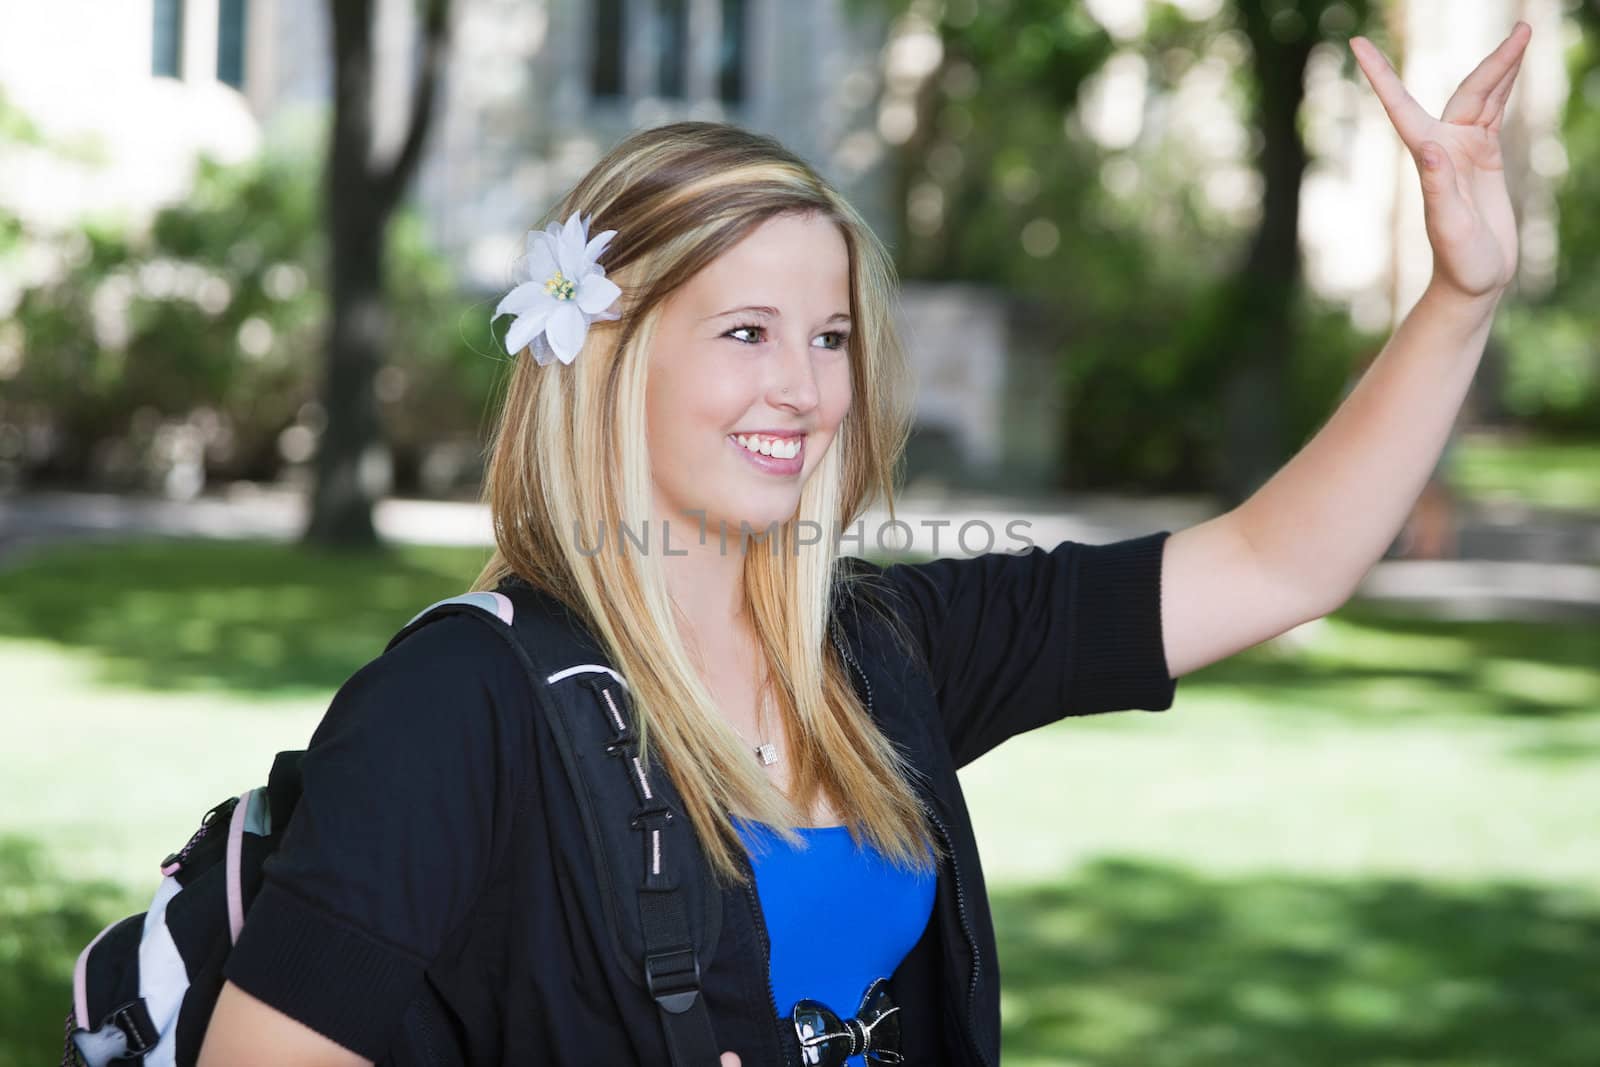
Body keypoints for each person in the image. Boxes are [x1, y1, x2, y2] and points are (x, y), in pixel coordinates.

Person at [197, 21, 1530, 1066]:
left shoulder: (882, 651)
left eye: (828, 337)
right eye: (745, 334)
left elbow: (1273, 566)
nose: (803, 387)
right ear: (611, 363)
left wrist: (1459, 297)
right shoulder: (459, 708)